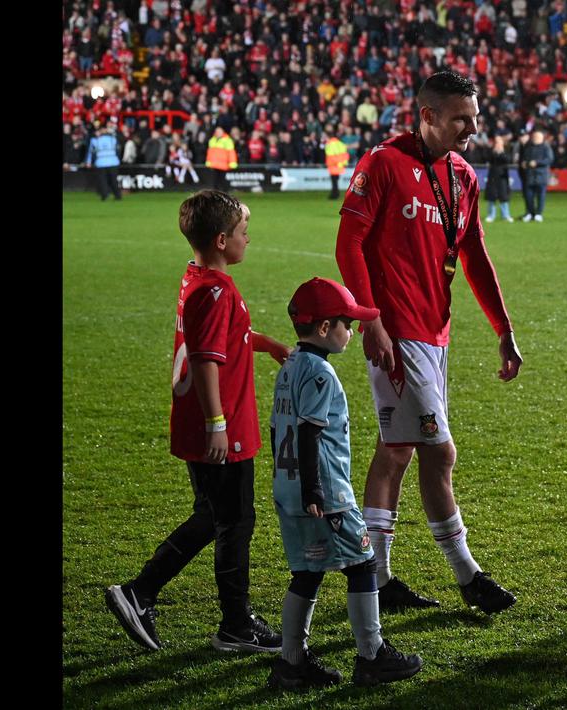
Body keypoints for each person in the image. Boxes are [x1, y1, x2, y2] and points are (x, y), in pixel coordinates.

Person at [335, 71, 523, 615]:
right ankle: (468, 575)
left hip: (436, 332)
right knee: (438, 452)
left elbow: (476, 258)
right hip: (397, 333)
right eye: (461, 118)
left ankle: (377, 578)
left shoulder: (463, 175)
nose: (472, 127)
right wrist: (369, 319)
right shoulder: (383, 164)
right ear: (427, 116)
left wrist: (503, 330)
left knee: (396, 451)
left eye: (475, 117)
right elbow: (349, 242)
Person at [106, 190, 291, 652]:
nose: (250, 239)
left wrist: (266, 345)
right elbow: (208, 361)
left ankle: (152, 595)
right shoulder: (215, 290)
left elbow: (228, 337)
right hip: (220, 426)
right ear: (223, 239)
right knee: (233, 521)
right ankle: (226, 620)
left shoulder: (200, 279)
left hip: (214, 422)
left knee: (217, 517)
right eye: (244, 233)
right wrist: (217, 422)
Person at [266, 278, 423, 690]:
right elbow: (309, 433)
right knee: (362, 564)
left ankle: (291, 662)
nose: (351, 332)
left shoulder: (290, 366)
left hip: (288, 487)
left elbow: (277, 430)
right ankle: (372, 655)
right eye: (345, 324)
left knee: (307, 571)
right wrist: (316, 490)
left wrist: (292, 484)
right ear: (323, 329)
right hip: (325, 493)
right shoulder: (320, 374)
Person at [518, 129, 553, 222]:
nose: (535, 138)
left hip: (541, 176)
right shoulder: (528, 147)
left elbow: (549, 160)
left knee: (541, 196)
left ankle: (538, 214)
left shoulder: (546, 147)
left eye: (537, 137)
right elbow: (524, 158)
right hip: (530, 175)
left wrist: (537, 163)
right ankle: (530, 213)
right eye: (534, 137)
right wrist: (524, 163)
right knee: (529, 196)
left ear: (542, 138)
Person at [86, 121, 122, 201]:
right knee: (113, 180)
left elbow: (90, 152)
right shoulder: (113, 139)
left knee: (103, 181)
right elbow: (118, 150)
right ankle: (117, 196)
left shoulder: (94, 140)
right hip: (113, 162)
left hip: (101, 163)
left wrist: (88, 162)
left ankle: (105, 195)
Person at [484, 134, 514, 222]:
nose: (498, 145)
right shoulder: (491, 151)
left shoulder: (506, 152)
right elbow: (487, 158)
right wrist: (494, 152)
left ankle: (505, 215)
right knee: (491, 197)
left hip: (502, 177)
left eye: (499, 143)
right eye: (497, 143)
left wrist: (500, 152)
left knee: (503, 197)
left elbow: (508, 160)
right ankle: (491, 215)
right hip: (492, 177)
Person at [206, 126, 238, 190]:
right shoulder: (212, 140)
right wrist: (208, 162)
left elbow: (231, 152)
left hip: (223, 165)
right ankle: (217, 195)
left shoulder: (227, 140)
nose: (218, 132)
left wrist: (232, 163)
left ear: (222, 132)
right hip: (214, 165)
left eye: (219, 131)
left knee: (223, 181)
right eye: (217, 131)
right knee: (214, 182)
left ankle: (225, 194)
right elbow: (209, 152)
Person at [324, 129, 350, 200]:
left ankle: (334, 194)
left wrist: (335, 163)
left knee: (334, 181)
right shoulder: (340, 143)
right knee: (335, 180)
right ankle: (335, 193)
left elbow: (331, 157)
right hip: (339, 165)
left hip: (333, 166)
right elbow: (345, 155)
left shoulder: (329, 144)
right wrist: (342, 163)